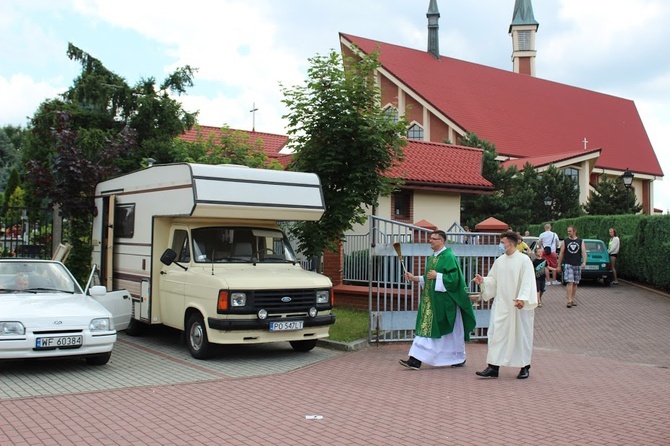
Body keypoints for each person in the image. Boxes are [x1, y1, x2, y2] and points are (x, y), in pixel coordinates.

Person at [400, 230, 477, 370]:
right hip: (431, 302)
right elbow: (429, 278)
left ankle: (455, 357)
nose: (431, 241)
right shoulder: (432, 258)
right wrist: (415, 278)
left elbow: (454, 280)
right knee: (426, 330)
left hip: (445, 302)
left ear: (441, 241)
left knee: (445, 332)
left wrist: (439, 276)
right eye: (430, 238)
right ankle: (415, 359)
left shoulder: (448, 257)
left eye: (434, 239)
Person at [472, 231, 537, 379]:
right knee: (497, 334)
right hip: (502, 304)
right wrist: (483, 281)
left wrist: (523, 299)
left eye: (503, 242)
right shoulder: (500, 261)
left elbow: (528, 282)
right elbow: (494, 280)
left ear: (511, 243)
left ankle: (524, 366)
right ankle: (493, 366)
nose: (500, 245)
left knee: (520, 335)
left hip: (517, 305)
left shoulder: (524, 260)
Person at [556, 225, 587, 308]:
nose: (568, 233)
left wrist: (584, 262)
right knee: (570, 281)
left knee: (575, 283)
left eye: (570, 231)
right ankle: (569, 300)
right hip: (568, 264)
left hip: (577, 264)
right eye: (568, 231)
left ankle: (572, 299)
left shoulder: (580, 241)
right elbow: (561, 253)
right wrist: (559, 265)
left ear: (574, 231)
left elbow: (583, 252)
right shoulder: (565, 241)